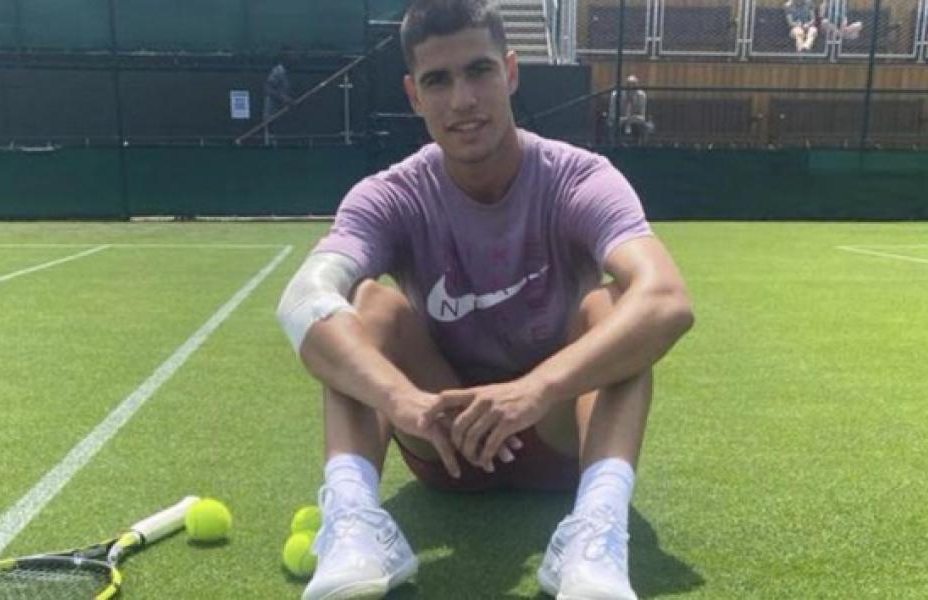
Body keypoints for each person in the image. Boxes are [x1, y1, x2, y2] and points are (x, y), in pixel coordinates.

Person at [275, 0, 694, 598]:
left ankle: (595, 533)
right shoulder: (391, 195)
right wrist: (405, 401)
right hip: (441, 437)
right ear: (414, 96)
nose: (463, 100)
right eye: (438, 81)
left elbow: (667, 299)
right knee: (367, 308)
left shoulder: (579, 177)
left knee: (612, 308)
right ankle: (353, 527)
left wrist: (533, 391)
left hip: (559, 437)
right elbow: (303, 299)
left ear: (512, 72)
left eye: (479, 71)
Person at [608, 74, 655, 145]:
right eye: (628, 86)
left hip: (635, 120)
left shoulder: (641, 95)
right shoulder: (615, 95)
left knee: (648, 127)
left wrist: (631, 119)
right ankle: (614, 146)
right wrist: (622, 119)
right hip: (619, 119)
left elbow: (642, 115)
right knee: (611, 126)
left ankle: (641, 148)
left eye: (633, 86)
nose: (631, 88)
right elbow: (612, 114)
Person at [263, 62, 293, 146]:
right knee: (271, 133)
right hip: (272, 111)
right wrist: (282, 98)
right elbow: (267, 88)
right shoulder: (278, 71)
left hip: (282, 112)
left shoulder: (288, 72)